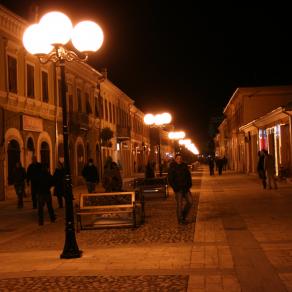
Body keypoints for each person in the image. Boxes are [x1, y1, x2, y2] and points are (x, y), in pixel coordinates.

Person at [168, 153, 193, 225]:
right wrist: (175, 188)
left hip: (185, 188)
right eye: (178, 158)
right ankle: (180, 220)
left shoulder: (184, 166)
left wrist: (189, 184)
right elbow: (170, 179)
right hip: (178, 189)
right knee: (179, 204)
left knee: (190, 202)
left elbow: (188, 176)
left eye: (180, 158)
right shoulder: (172, 167)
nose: (179, 160)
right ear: (175, 159)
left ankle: (183, 216)